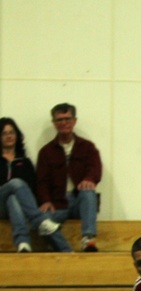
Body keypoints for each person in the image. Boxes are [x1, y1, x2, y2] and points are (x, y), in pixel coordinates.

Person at [36, 103, 102, 252]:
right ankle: (66, 250)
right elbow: (41, 181)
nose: (64, 123)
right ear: (54, 123)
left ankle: (88, 239)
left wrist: (89, 179)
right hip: (57, 204)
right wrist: (45, 200)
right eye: (59, 120)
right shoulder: (46, 152)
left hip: (80, 201)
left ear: (74, 121)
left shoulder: (87, 147)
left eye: (67, 119)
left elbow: (95, 168)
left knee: (88, 191)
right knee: (41, 220)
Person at [1, 117, 59, 252]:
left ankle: (23, 243)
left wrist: (43, 201)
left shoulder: (25, 162)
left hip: (16, 207)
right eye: (4, 133)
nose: (9, 136)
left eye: (12, 132)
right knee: (16, 183)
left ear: (17, 135)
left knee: (12, 199)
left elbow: (33, 187)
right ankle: (40, 221)